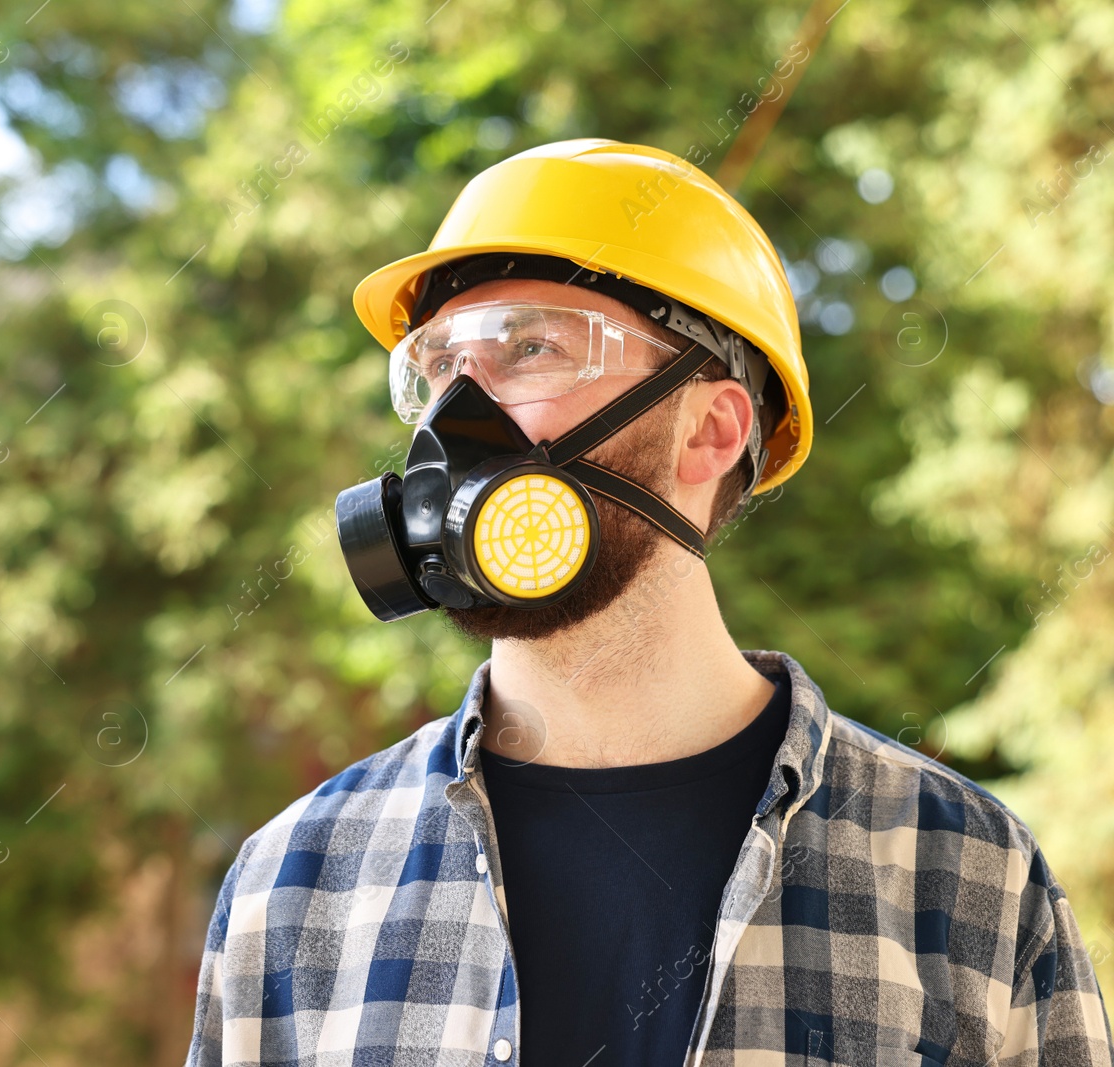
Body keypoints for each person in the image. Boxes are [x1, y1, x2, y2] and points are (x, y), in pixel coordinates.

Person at [183, 139, 1113, 1067]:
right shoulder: (295, 887)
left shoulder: (968, 880)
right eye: (438, 369)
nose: (451, 424)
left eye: (530, 347)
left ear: (710, 431)